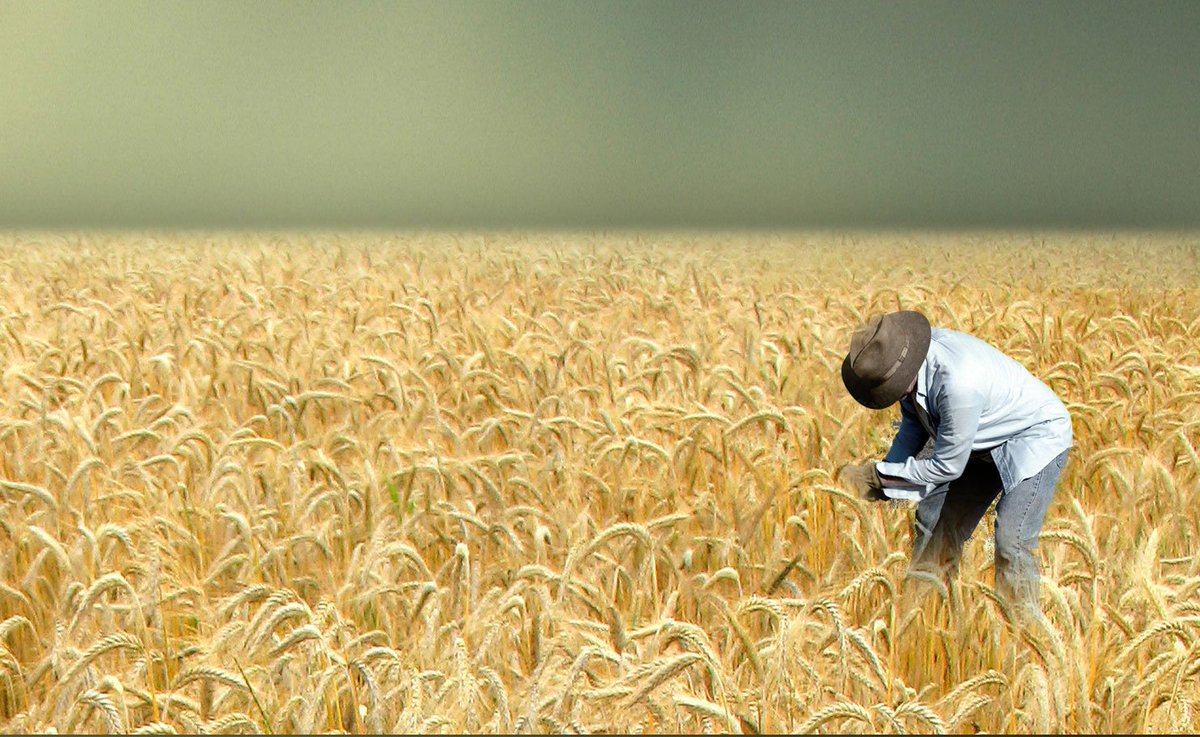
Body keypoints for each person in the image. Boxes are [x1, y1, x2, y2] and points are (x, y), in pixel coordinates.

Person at [836, 310, 1072, 611]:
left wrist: (879, 478)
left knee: (1012, 540)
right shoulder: (912, 364)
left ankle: (1027, 641)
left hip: (1034, 435)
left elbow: (948, 466)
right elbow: (913, 427)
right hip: (979, 436)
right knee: (934, 522)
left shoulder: (958, 384)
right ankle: (920, 618)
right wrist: (887, 474)